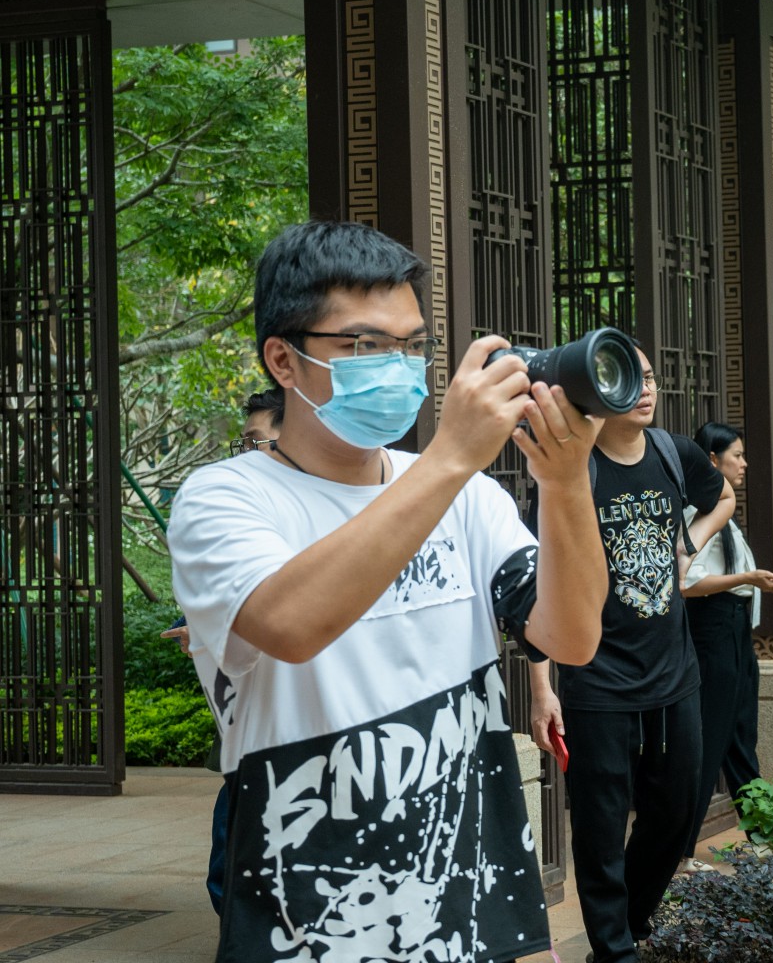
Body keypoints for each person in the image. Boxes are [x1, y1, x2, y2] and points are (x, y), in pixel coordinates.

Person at [168, 220, 608, 963]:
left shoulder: (467, 499)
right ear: (284, 359)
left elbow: (570, 637)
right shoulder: (225, 498)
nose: (398, 367)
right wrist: (450, 459)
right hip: (313, 924)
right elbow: (290, 623)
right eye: (365, 346)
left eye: (411, 346)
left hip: (480, 911)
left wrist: (564, 486)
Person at [527, 345, 735, 963]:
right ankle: (615, 951)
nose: (644, 389)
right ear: (595, 389)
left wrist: (688, 544)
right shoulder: (572, 467)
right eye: (628, 378)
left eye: (649, 377)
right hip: (596, 680)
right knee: (598, 827)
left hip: (674, 673)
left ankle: (632, 924)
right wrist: (544, 688)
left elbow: (721, 495)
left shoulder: (675, 454)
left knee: (675, 813)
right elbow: (534, 584)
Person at [163, 388, 287, 918]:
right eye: (245, 443)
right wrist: (207, 634)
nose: (248, 454)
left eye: (258, 442)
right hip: (252, 725)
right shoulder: (231, 507)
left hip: (305, 736)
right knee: (231, 852)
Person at [679, 422, 773, 873]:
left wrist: (755, 583)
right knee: (709, 740)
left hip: (736, 629)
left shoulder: (725, 513)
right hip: (713, 629)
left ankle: (761, 836)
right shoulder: (695, 512)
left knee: (742, 734)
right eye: (736, 455)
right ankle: (678, 852)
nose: (744, 464)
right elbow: (686, 584)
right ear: (711, 460)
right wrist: (747, 579)